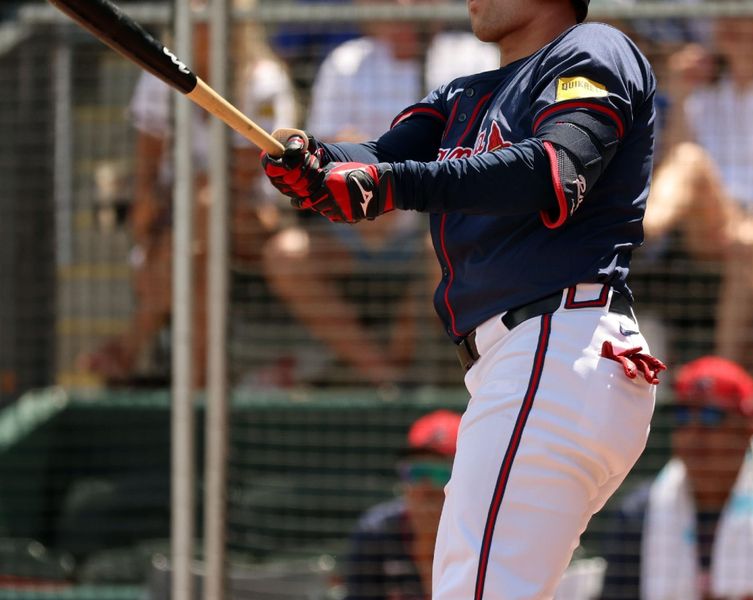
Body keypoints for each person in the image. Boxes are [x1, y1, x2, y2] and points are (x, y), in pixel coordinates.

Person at [262, 0, 667, 596]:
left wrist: (390, 186)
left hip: (558, 346)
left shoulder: (593, 50)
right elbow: (380, 156)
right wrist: (313, 161)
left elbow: (552, 167)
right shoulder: (463, 95)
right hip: (536, 364)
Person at [261, 10, 499, 387]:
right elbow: (331, 152)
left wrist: (391, 192)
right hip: (353, 227)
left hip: (428, 223)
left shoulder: (473, 56)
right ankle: (387, 378)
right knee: (286, 255)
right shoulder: (347, 62)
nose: (405, 6)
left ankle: (403, 366)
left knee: (443, 247)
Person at [79, 0, 298, 387]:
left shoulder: (262, 78)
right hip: (180, 221)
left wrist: (188, 198)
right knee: (195, 261)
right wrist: (148, 227)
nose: (200, 22)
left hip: (250, 217)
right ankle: (200, 389)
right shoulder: (157, 76)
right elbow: (145, 173)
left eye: (210, 15)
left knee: (205, 203)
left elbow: (248, 174)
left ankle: (129, 346)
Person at [643, 13, 753, 375]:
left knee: (748, 241)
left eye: (745, 13)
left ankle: (722, 371)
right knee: (689, 158)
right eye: (724, 14)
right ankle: (637, 230)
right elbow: (677, 163)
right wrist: (680, 95)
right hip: (718, 219)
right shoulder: (705, 96)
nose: (732, 21)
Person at [600, 356, 753, 600]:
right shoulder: (638, 513)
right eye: (683, 416)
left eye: (710, 416)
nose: (693, 432)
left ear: (749, 428)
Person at [344, 409, 462, 600]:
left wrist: (428, 557)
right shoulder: (376, 531)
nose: (425, 487)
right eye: (415, 473)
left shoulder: (479, 532)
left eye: (440, 474)